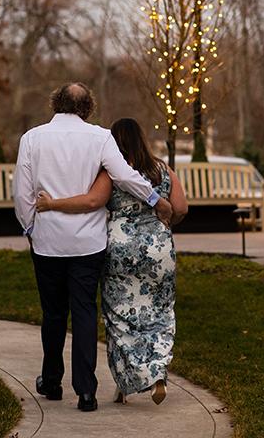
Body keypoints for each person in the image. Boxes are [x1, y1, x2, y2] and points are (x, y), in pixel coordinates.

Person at [12, 83, 174, 413]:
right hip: (88, 242)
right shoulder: (101, 138)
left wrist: (30, 226)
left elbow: (21, 192)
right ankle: (86, 393)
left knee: (54, 313)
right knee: (84, 312)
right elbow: (126, 176)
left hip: (48, 242)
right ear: (88, 108)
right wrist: (156, 199)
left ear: (55, 103)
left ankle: (52, 380)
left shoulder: (32, 138)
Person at [36, 117, 188, 405]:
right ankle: (156, 373)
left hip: (120, 251)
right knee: (159, 313)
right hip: (159, 250)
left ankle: (126, 383)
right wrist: (163, 223)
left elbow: (91, 201)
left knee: (120, 317)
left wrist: (51, 204)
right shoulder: (162, 169)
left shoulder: (113, 172)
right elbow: (180, 207)